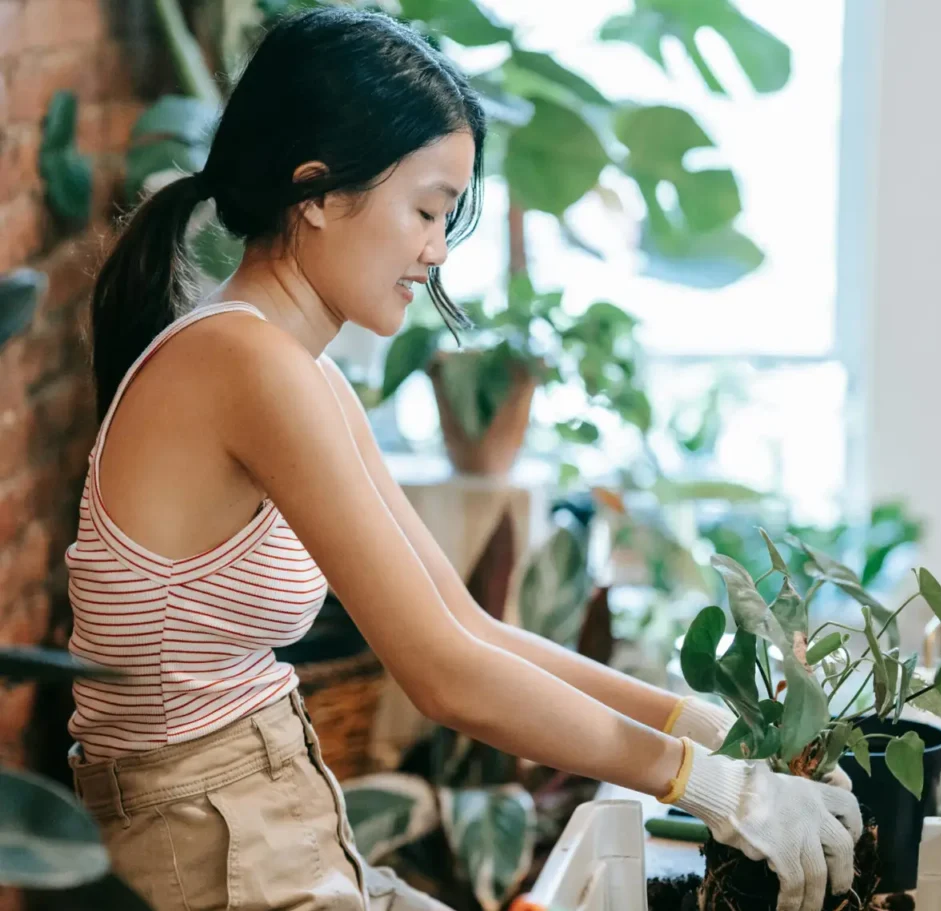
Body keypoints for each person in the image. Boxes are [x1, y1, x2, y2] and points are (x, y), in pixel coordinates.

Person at [64, 8, 861, 911]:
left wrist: (702, 729)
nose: (437, 251)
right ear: (317, 191)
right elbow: (443, 674)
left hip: (270, 821)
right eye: (427, 210)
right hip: (203, 851)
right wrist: (712, 787)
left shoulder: (301, 375)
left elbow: (466, 621)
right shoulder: (245, 365)